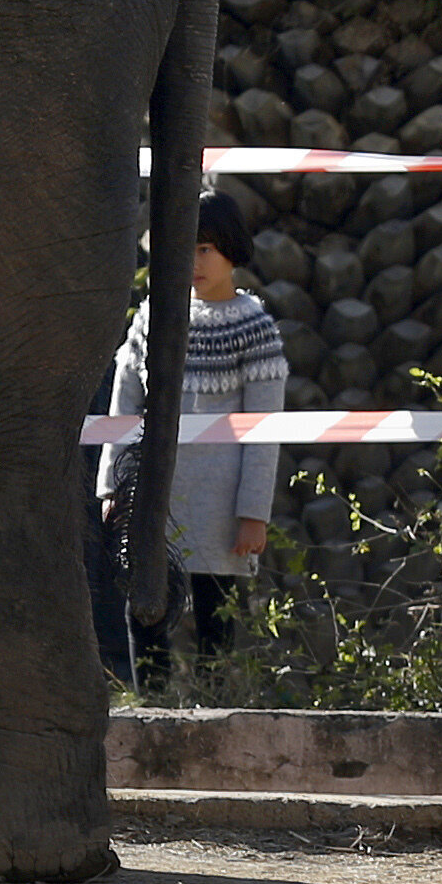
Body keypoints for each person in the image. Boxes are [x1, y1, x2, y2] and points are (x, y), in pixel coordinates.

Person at [99, 189, 283, 681]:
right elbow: (124, 406)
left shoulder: (255, 328)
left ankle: (215, 713)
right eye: (182, 248)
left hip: (222, 507)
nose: (194, 261)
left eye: (205, 248)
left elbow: (264, 431)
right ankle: (151, 707)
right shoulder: (151, 318)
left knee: (215, 619)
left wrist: (253, 514)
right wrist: (112, 487)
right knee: (145, 608)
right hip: (154, 494)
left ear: (231, 249)